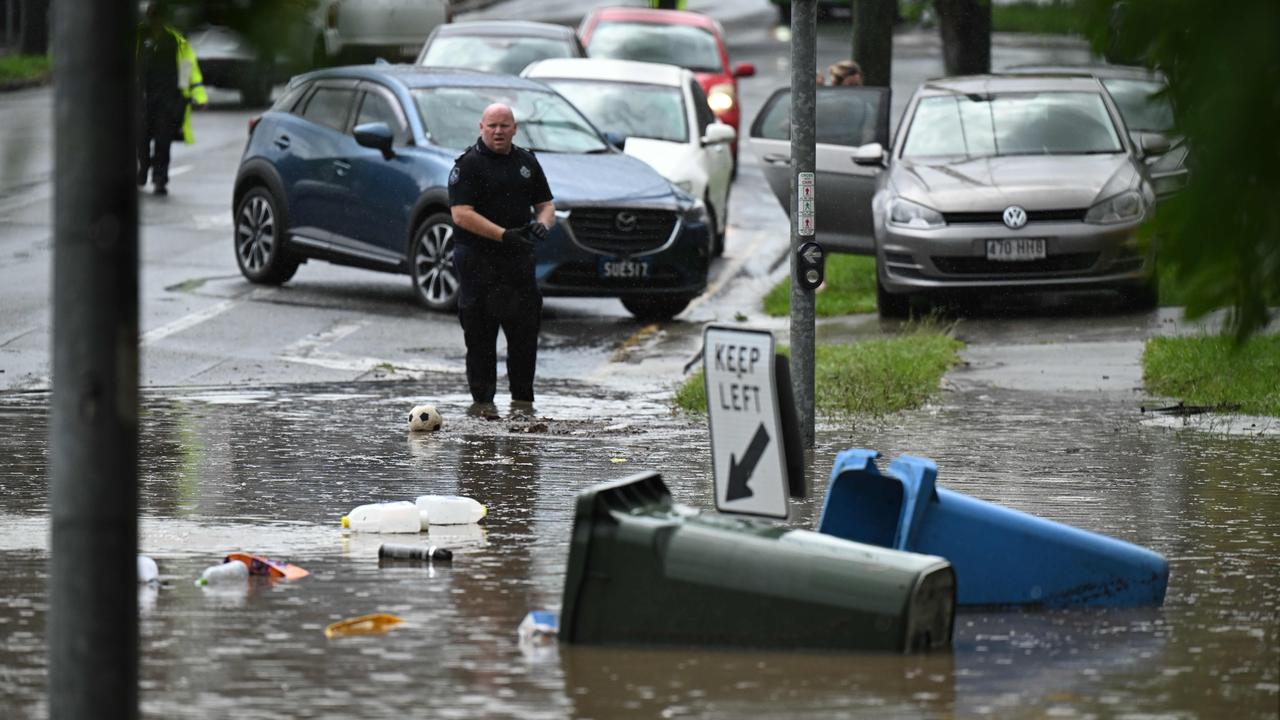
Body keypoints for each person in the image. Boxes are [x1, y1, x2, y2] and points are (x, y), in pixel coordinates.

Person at [448, 103, 556, 414]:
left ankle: (523, 405)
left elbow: (546, 205)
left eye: (504, 126)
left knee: (524, 337)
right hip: (478, 263)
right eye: (492, 126)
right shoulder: (467, 165)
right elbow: (461, 214)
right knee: (480, 338)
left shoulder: (526, 162)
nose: (498, 132)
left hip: (518, 264)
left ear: (515, 128)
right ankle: (483, 408)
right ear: (481, 127)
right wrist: (503, 235)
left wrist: (543, 224)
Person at [136, 2, 207, 196]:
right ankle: (143, 169)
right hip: (142, 100)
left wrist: (198, 96)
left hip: (167, 101)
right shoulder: (139, 37)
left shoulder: (175, 41)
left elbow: (187, 68)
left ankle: (160, 179)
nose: (155, 21)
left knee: (163, 141)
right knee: (140, 140)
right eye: (152, 17)